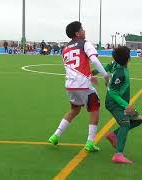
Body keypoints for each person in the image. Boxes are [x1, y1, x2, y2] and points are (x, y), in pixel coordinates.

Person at [48, 21, 110, 152]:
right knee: (95, 108)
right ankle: (90, 142)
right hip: (82, 84)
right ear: (77, 33)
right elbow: (94, 60)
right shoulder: (85, 43)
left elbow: (74, 66)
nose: (84, 31)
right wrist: (105, 75)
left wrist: (89, 75)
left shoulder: (65, 48)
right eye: (82, 29)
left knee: (74, 109)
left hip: (70, 84)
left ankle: (55, 136)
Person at [104, 46, 142, 164]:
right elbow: (113, 93)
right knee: (125, 124)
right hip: (114, 103)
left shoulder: (117, 65)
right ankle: (118, 155)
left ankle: (113, 135)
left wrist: (95, 73)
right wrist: (126, 105)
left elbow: (107, 67)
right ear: (128, 58)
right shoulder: (120, 73)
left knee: (138, 119)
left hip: (120, 102)